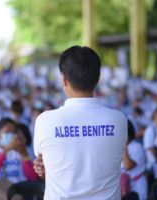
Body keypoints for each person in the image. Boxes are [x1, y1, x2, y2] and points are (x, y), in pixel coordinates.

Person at [33, 46, 128, 199]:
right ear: (98, 78)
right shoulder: (118, 120)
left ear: (64, 79)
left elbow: (43, 165)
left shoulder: (45, 121)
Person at [0, 118, 38, 200]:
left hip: (20, 191)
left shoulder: (24, 151)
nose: (11, 135)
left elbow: (32, 177)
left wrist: (24, 154)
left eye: (13, 132)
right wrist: (6, 150)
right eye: (7, 132)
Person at [122, 120, 147, 200]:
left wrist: (124, 148)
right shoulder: (116, 147)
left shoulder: (137, 147)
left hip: (136, 187)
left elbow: (127, 166)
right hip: (123, 186)